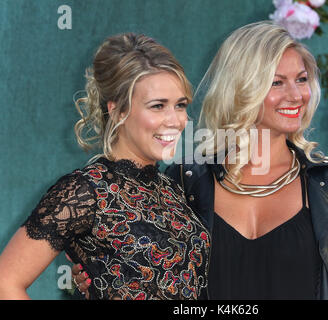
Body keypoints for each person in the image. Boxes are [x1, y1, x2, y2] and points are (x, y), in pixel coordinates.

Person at [72, 21, 328, 299]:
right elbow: (148, 274)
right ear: (242, 89)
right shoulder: (185, 181)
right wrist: (101, 277)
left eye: (301, 80)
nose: (296, 95)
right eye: (277, 83)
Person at [0, 33, 211, 300]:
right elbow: (6, 281)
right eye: (158, 106)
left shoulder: (173, 188)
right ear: (118, 111)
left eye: (180, 105)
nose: (176, 120)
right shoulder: (84, 191)